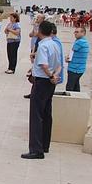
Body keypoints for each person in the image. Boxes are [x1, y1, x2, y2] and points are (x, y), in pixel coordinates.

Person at [22, 21, 62, 160]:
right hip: (50, 82)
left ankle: (36, 149)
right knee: (46, 113)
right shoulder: (55, 44)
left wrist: (50, 75)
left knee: (36, 115)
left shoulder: (44, 45)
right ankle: (45, 144)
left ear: (40, 30)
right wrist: (55, 75)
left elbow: (44, 65)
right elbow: (59, 64)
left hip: (42, 81)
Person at [66, 26, 90, 92]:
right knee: (76, 86)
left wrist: (67, 58)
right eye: (75, 32)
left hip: (75, 69)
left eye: (77, 32)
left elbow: (71, 52)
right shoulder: (84, 41)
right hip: (80, 69)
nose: (75, 33)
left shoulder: (79, 42)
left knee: (69, 88)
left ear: (83, 33)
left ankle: (70, 101)